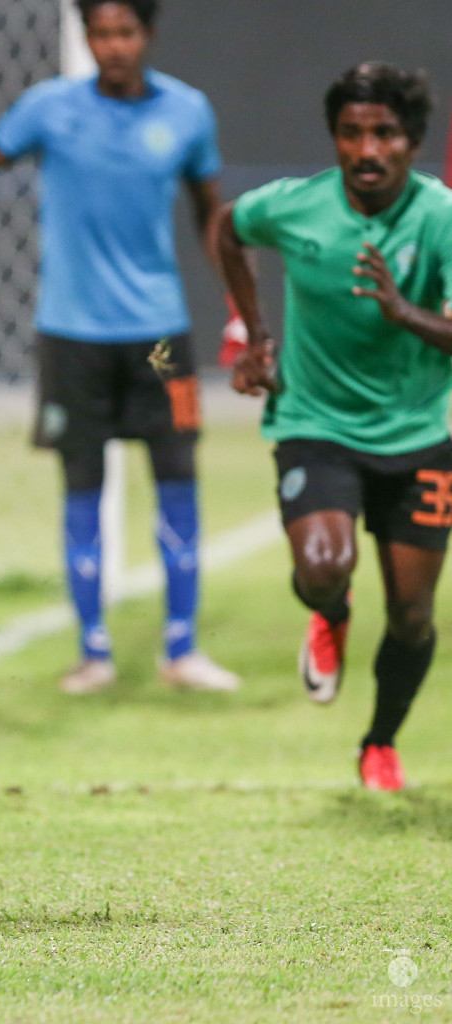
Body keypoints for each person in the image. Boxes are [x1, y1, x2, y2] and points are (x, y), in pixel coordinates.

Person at [0, 0, 240, 695]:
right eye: (99, 33)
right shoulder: (47, 108)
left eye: (124, 32)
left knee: (177, 476)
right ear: (85, 37)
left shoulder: (186, 112)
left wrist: (239, 309)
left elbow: (211, 217)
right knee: (81, 485)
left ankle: (181, 648)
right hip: (71, 335)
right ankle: (93, 653)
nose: (111, 45)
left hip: (159, 335)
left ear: (147, 34)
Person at [217, 63, 452, 791]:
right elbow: (227, 229)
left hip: (420, 432)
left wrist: (402, 311)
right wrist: (253, 332)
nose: (366, 150)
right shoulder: (295, 207)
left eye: (383, 133)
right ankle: (331, 610)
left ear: (411, 142)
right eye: (351, 134)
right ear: (334, 139)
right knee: (322, 565)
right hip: (315, 421)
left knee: (412, 616)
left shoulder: (440, 216)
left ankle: (378, 742)